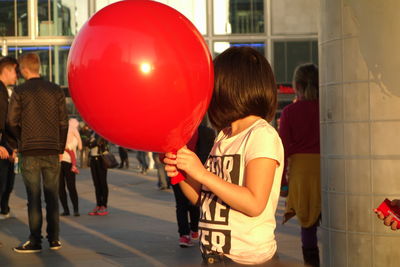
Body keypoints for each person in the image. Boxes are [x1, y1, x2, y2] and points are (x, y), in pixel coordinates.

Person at [164, 47, 283, 266]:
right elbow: (204, 200)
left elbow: (254, 203)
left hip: (248, 261)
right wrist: (182, 174)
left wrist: (202, 173)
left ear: (231, 86)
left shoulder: (261, 134)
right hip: (213, 258)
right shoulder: (224, 136)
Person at [7, 52, 68, 253]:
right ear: (38, 66)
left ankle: (35, 240)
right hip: (51, 149)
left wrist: (20, 139)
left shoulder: (20, 91)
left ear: (24, 69)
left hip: (30, 150)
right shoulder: (55, 90)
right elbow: (63, 123)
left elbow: (11, 122)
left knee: (33, 197)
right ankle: (54, 238)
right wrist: (60, 148)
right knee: (52, 195)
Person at [278, 63, 320, 267]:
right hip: (329, 168)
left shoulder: (289, 112)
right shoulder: (329, 108)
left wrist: (283, 183)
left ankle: (311, 263)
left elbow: (283, 149)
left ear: (296, 85)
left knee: (308, 224)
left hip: (302, 172)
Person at [0, 56, 18, 221]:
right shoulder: (0, 91)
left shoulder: (4, 90)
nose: (17, 76)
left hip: (5, 145)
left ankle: (4, 209)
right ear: (7, 69)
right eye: (15, 71)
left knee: (6, 183)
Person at [59, 118, 82, 217]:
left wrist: (66, 146)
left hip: (63, 161)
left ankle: (68, 210)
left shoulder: (60, 127)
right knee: (69, 186)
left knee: (63, 187)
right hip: (65, 161)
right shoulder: (72, 129)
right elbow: (80, 146)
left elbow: (78, 143)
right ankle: (73, 210)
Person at [88, 133, 109, 216]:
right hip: (93, 159)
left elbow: (93, 144)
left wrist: (92, 142)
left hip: (101, 159)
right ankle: (98, 204)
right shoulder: (92, 133)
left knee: (102, 183)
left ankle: (104, 205)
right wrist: (91, 142)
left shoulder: (102, 132)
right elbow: (87, 144)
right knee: (96, 183)